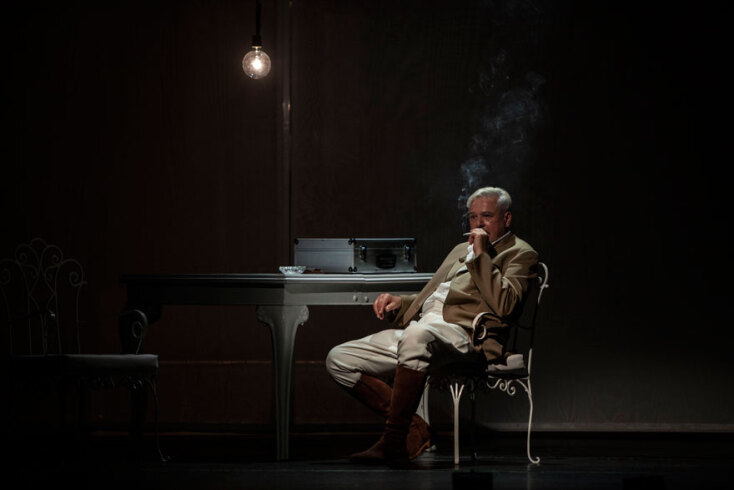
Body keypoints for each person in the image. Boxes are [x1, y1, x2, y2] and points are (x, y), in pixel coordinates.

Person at [325, 186, 538, 467]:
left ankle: (393, 441)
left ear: (506, 218)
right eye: (473, 217)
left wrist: (481, 256)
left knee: (417, 335)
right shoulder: (459, 249)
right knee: (339, 359)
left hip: (466, 336)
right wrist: (400, 303)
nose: (479, 223)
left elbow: (506, 305)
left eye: (487, 216)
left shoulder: (520, 253)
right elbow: (436, 296)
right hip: (425, 330)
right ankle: (416, 429)